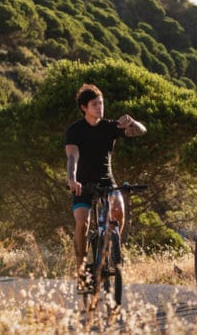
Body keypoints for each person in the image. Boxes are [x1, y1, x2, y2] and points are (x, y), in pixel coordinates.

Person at [64, 83, 147, 285]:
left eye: (101, 103)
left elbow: (141, 131)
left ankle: (114, 249)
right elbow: (72, 157)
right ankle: (81, 267)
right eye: (95, 104)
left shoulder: (110, 126)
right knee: (82, 222)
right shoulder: (75, 130)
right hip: (82, 183)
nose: (100, 107)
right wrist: (72, 179)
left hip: (106, 180)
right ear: (84, 107)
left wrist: (132, 122)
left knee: (118, 210)